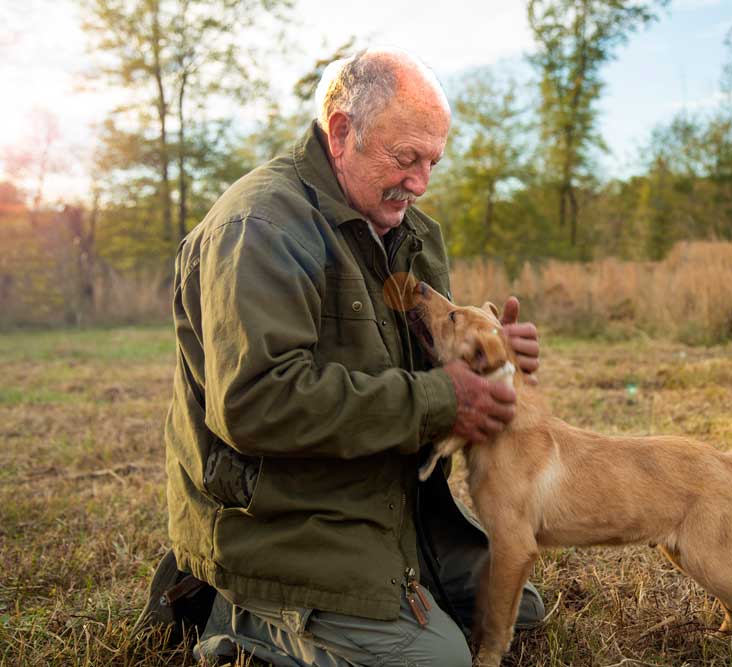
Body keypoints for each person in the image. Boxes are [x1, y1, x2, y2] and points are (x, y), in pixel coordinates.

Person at [149, 47, 544, 666]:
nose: (420, 182)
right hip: (288, 519)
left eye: (432, 162)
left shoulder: (412, 231)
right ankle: (234, 608)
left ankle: (388, 591)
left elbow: (421, 369)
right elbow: (256, 405)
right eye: (405, 158)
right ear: (341, 132)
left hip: (389, 506)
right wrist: (445, 398)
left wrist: (485, 357)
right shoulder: (260, 227)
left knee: (519, 609)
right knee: (438, 662)